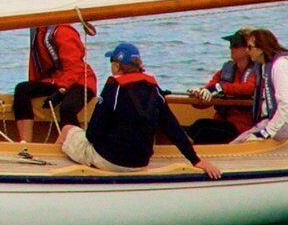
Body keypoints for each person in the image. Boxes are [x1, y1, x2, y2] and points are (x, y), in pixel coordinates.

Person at [75, 42, 218, 177]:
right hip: (140, 163)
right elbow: (173, 127)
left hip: (110, 162)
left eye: (111, 62)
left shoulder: (114, 88)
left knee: (68, 131)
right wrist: (195, 160)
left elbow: (92, 135)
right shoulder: (154, 89)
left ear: (117, 66)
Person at [12, 19, 97, 140]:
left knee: (67, 108)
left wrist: (62, 90)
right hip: (56, 79)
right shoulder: (39, 31)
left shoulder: (63, 31)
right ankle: (25, 144)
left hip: (80, 80)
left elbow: (74, 67)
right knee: (22, 90)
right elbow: (36, 65)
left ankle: (76, 144)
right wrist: (36, 84)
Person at [188, 32, 266, 147]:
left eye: (235, 45)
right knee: (198, 125)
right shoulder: (226, 70)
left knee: (204, 133)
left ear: (247, 49)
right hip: (224, 121)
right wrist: (200, 94)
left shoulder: (258, 71)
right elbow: (211, 88)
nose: (231, 48)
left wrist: (220, 88)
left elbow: (249, 87)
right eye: (230, 45)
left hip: (243, 127)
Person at [229, 27, 288, 144]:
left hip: (285, 124)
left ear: (261, 49)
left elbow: (284, 104)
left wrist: (267, 132)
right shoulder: (265, 65)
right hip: (271, 120)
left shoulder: (280, 66)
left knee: (238, 145)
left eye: (250, 47)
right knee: (235, 144)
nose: (247, 51)